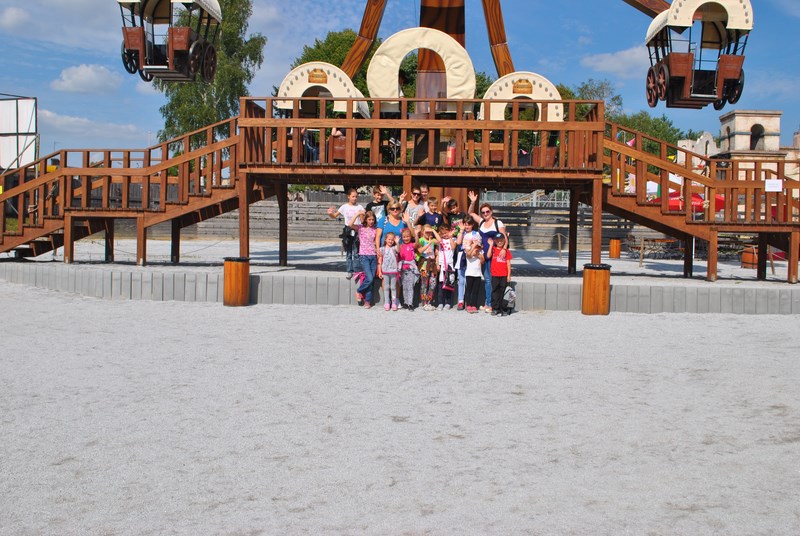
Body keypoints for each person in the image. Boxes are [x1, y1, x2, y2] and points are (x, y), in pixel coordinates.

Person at [468, 190, 507, 312]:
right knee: (487, 279)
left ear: (491, 212)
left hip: (494, 254)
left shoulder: (497, 223)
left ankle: (491, 303)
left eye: (487, 211)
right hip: (483, 255)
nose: (485, 214)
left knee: (492, 279)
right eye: (483, 212)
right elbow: (470, 213)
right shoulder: (481, 222)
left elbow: (504, 237)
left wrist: (504, 249)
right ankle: (488, 302)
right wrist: (473, 202)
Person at [327, 188, 364, 279]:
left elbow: (363, 221)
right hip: (347, 230)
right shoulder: (344, 207)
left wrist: (361, 215)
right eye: (353, 196)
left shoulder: (360, 207)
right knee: (349, 252)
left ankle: (356, 270)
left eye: (356, 197)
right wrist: (330, 213)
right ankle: (349, 271)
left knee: (356, 252)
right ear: (348, 196)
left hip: (357, 229)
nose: (355, 198)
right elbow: (334, 216)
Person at [348, 209, 379, 308]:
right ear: (366, 219)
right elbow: (350, 224)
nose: (371, 221)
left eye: (373, 219)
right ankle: (359, 291)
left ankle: (367, 301)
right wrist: (357, 214)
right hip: (364, 256)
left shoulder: (376, 229)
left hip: (373, 256)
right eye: (369, 219)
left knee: (371, 280)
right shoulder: (361, 228)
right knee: (369, 278)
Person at [455, 217, 480, 311]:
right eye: (465, 224)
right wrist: (461, 231)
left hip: (471, 257)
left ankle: (468, 301)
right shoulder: (462, 232)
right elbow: (458, 242)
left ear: (472, 225)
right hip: (462, 256)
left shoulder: (475, 233)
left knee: (468, 280)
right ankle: (461, 300)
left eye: (469, 224)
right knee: (461, 280)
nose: (467, 226)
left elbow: (478, 245)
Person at [486, 232, 513, 316]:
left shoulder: (506, 251)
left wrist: (509, 275)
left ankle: (503, 309)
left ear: (504, 241)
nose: (500, 242)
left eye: (501, 240)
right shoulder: (493, 249)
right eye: (498, 241)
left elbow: (508, 264)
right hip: (495, 274)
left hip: (504, 275)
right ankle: (495, 308)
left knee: (503, 292)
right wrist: (491, 245)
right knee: (495, 292)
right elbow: (488, 255)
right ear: (495, 241)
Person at [417, 225, 439, 311]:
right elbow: (420, 250)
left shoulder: (432, 240)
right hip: (424, 265)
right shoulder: (421, 240)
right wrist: (429, 243)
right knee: (424, 284)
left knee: (433, 284)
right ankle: (424, 303)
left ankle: (429, 302)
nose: (428, 233)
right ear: (422, 232)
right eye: (426, 232)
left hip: (432, 264)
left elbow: (439, 241)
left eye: (429, 232)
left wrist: (433, 230)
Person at [377, 231, 400, 311]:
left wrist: (397, 242)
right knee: (386, 287)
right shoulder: (382, 249)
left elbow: (398, 250)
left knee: (393, 287)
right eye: (389, 239)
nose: (390, 241)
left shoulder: (394, 248)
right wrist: (379, 271)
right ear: (385, 239)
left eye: (392, 240)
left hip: (393, 271)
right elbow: (379, 261)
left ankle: (394, 302)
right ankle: (387, 302)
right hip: (385, 271)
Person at [398, 226, 420, 311]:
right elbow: (397, 250)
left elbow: (417, 244)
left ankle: (410, 303)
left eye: (407, 236)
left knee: (410, 286)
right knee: (404, 286)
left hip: (411, 268)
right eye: (404, 237)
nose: (406, 238)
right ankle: (405, 302)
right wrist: (397, 242)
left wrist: (416, 235)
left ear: (410, 237)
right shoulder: (401, 246)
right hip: (403, 268)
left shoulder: (411, 245)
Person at [436, 224, 456, 310]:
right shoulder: (440, 240)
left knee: (449, 284)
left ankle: (448, 302)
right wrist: (437, 264)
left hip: (449, 264)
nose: (445, 235)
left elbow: (453, 247)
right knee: (441, 285)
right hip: (441, 264)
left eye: (446, 233)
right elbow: (437, 253)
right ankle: (440, 302)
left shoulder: (453, 239)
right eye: (443, 233)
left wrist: (450, 237)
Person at [463, 239, 485, 313]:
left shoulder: (480, 251)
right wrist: (473, 247)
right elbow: (468, 255)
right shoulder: (468, 249)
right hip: (469, 273)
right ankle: (468, 304)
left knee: (475, 290)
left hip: (478, 273)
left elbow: (482, 261)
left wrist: (478, 255)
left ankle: (474, 305)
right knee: (469, 290)